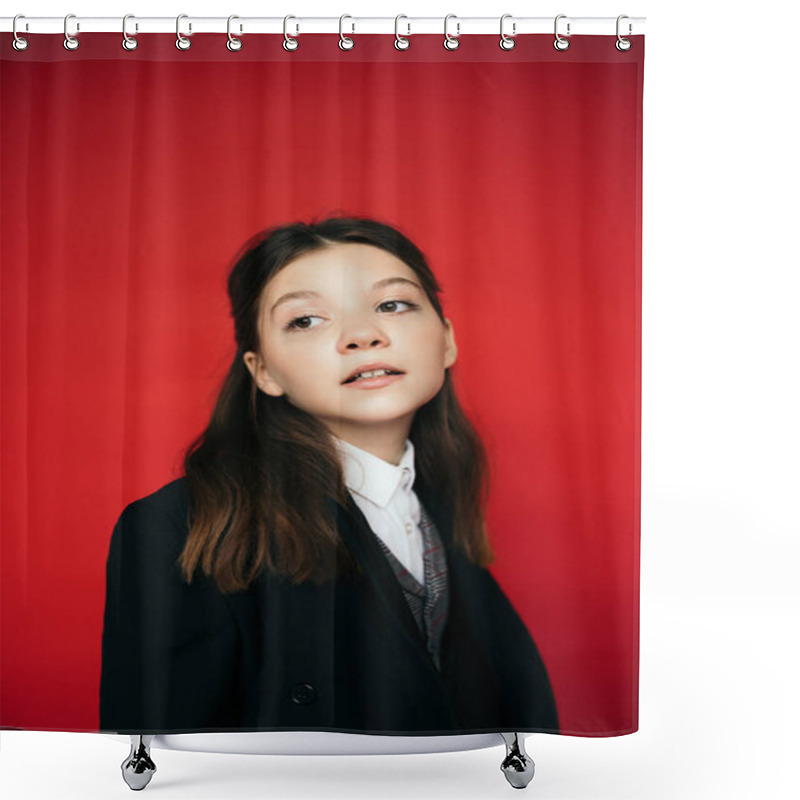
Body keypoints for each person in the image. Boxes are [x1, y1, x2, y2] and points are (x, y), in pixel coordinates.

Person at [99, 215, 559, 735]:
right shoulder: (179, 528)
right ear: (263, 371)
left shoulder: (441, 506)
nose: (363, 336)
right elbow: (159, 751)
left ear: (447, 339)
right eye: (306, 320)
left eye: (392, 304)